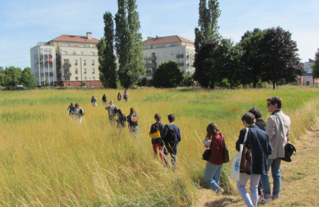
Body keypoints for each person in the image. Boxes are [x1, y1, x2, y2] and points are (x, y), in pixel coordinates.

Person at [236, 112, 273, 207]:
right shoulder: (264, 133)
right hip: (260, 164)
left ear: (245, 122)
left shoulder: (244, 132)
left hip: (246, 164)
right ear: (255, 121)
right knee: (254, 187)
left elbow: (238, 147)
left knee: (240, 186)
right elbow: (270, 150)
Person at [259, 96, 291, 203]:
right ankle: (276, 195)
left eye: (269, 104)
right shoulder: (287, 117)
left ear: (275, 105)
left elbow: (269, 135)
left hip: (270, 151)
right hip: (281, 150)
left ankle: (267, 195)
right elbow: (287, 134)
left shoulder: (271, 118)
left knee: (263, 172)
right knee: (276, 173)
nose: (267, 106)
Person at [248, 107, 267, 195]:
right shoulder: (265, 124)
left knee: (256, 176)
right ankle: (264, 188)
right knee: (264, 172)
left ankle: (258, 192)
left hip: (256, 152)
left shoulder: (254, 127)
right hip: (266, 151)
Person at [204, 123, 225, 194]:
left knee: (208, 178)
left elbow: (215, 151)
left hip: (214, 161)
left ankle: (218, 189)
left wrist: (211, 160)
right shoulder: (221, 135)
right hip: (221, 160)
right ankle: (217, 193)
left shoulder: (215, 138)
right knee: (216, 178)